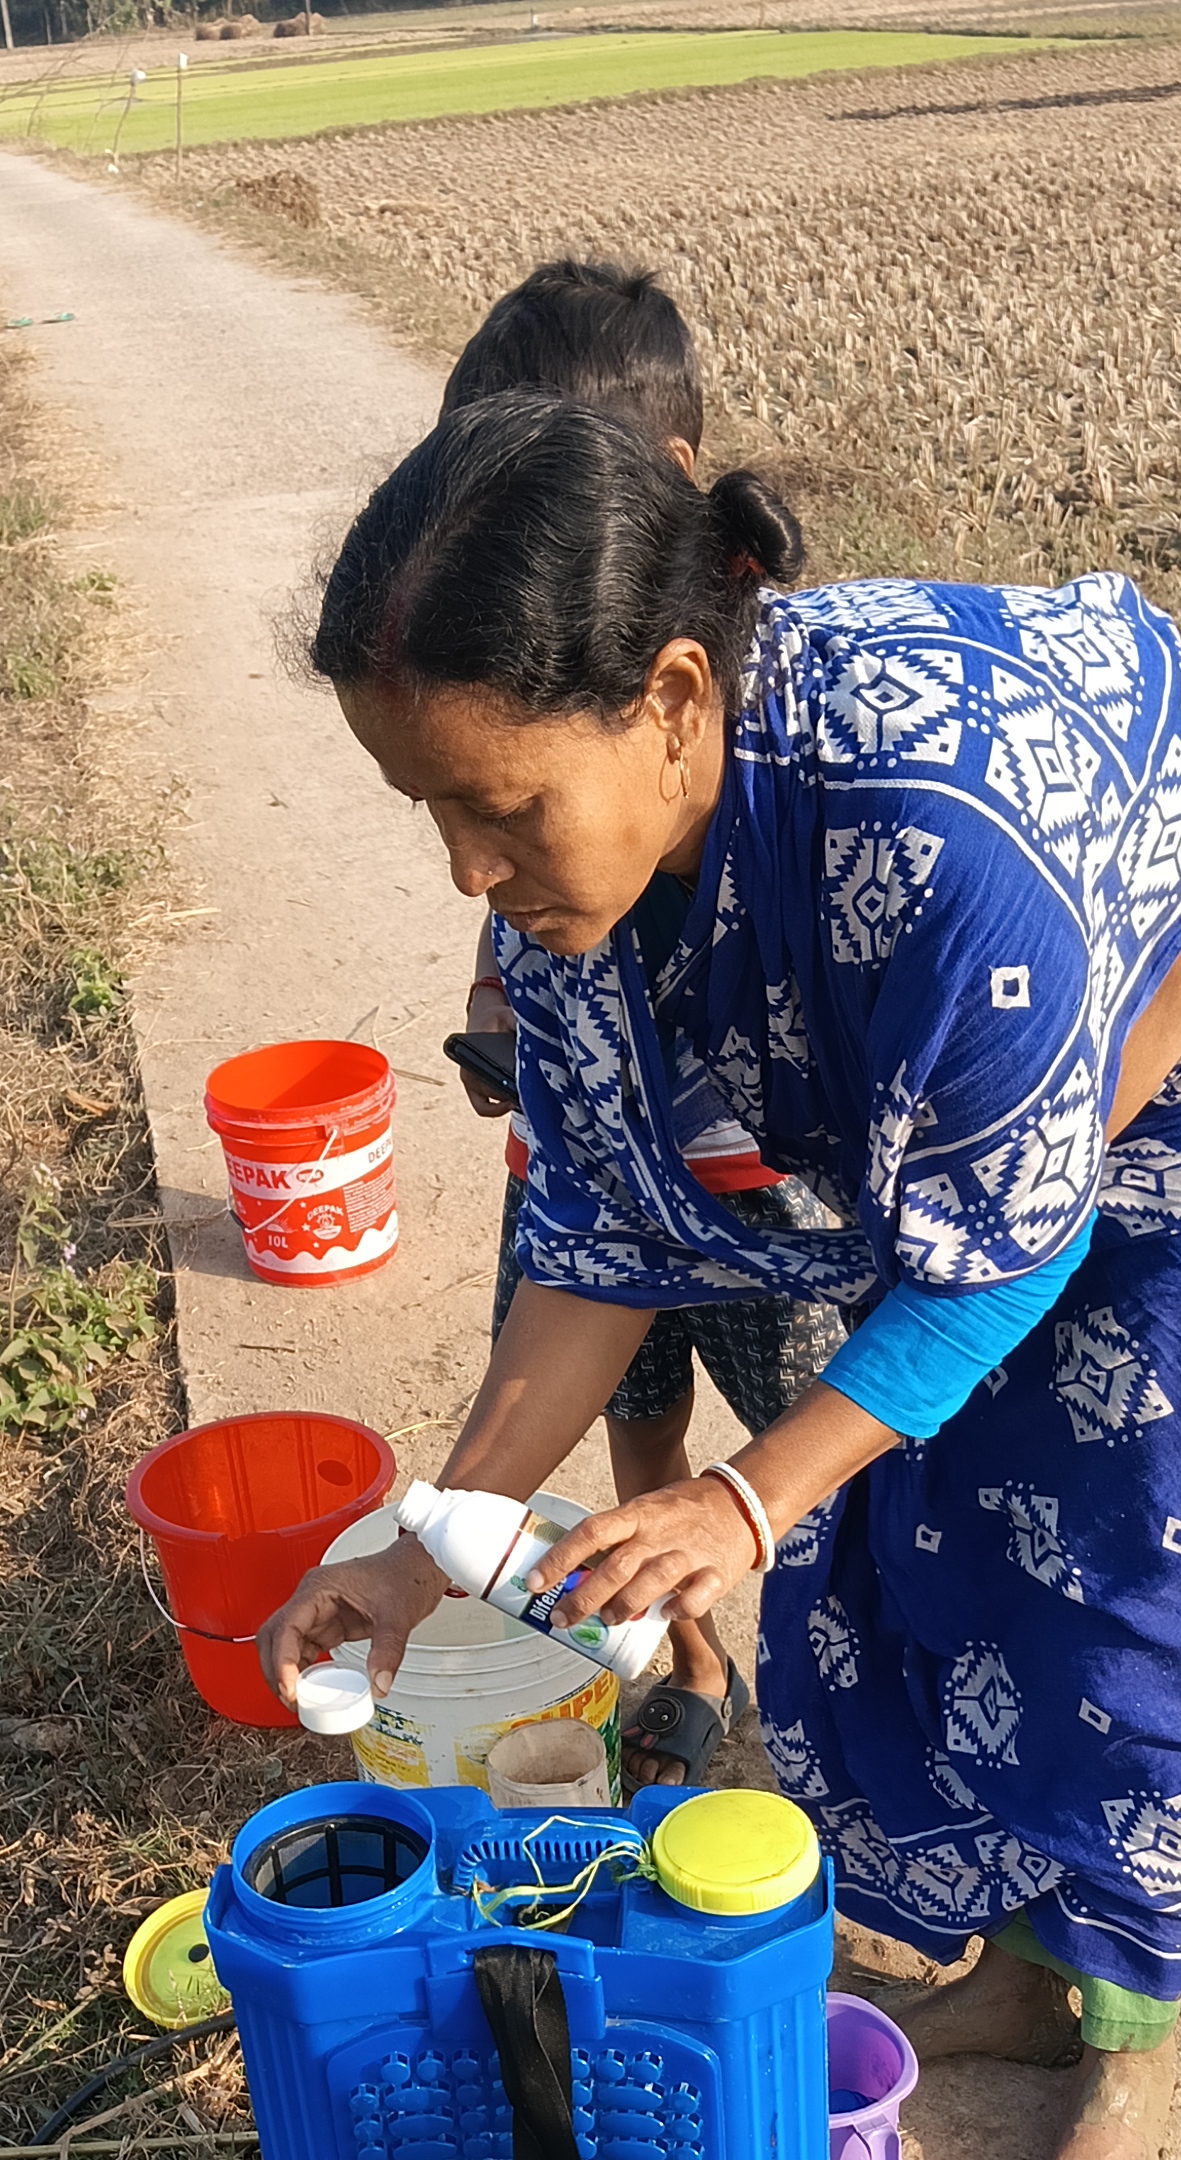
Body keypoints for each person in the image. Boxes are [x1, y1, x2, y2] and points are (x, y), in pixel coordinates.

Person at [261, 392, 1181, 2160]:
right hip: (1007, 1092)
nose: (466, 875)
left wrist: (746, 1498)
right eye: (430, 812)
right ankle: (1022, 1977)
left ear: (672, 699)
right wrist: (423, 1551)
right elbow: (598, 1242)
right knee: (941, 1519)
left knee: (1142, 1571)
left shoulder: (932, 837)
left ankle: (1129, 2053)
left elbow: (990, 1268)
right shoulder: (582, 912)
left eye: (501, 809)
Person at [442, 260, 841, 1788]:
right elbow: (515, 885)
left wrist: (756, 1500)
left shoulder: (775, 757)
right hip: (590, 1170)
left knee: (820, 1452)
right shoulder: (537, 773)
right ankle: (692, 1660)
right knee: (635, 1410)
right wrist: (498, 1001)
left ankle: (837, 1686)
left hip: (759, 1193)